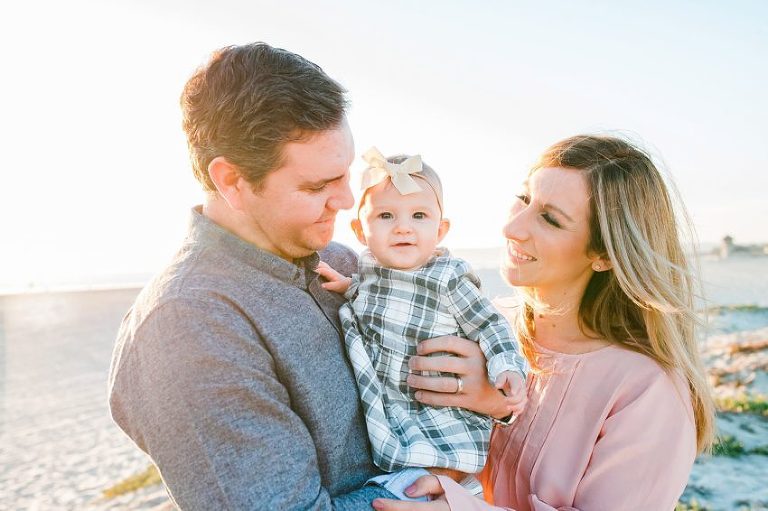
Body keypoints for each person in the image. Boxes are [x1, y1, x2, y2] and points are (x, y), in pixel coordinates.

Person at [107, 42, 510, 510]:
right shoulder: (189, 326)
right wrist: (430, 496)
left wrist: (490, 399)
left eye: (344, 175)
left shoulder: (345, 263)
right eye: (317, 186)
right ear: (232, 182)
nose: (344, 201)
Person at [372, 135, 716, 511]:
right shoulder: (485, 329)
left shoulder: (648, 392)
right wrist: (491, 405)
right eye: (523, 199)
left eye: (550, 219)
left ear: (603, 253)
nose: (512, 229)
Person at [315, 148, 528, 493]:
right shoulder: (369, 271)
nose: (403, 228)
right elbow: (377, 297)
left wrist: (507, 366)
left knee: (415, 485)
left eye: (418, 215)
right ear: (359, 230)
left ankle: (451, 490)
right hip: (395, 416)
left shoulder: (447, 278)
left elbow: (490, 324)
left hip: (440, 422)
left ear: (440, 230)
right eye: (385, 216)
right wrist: (349, 288)